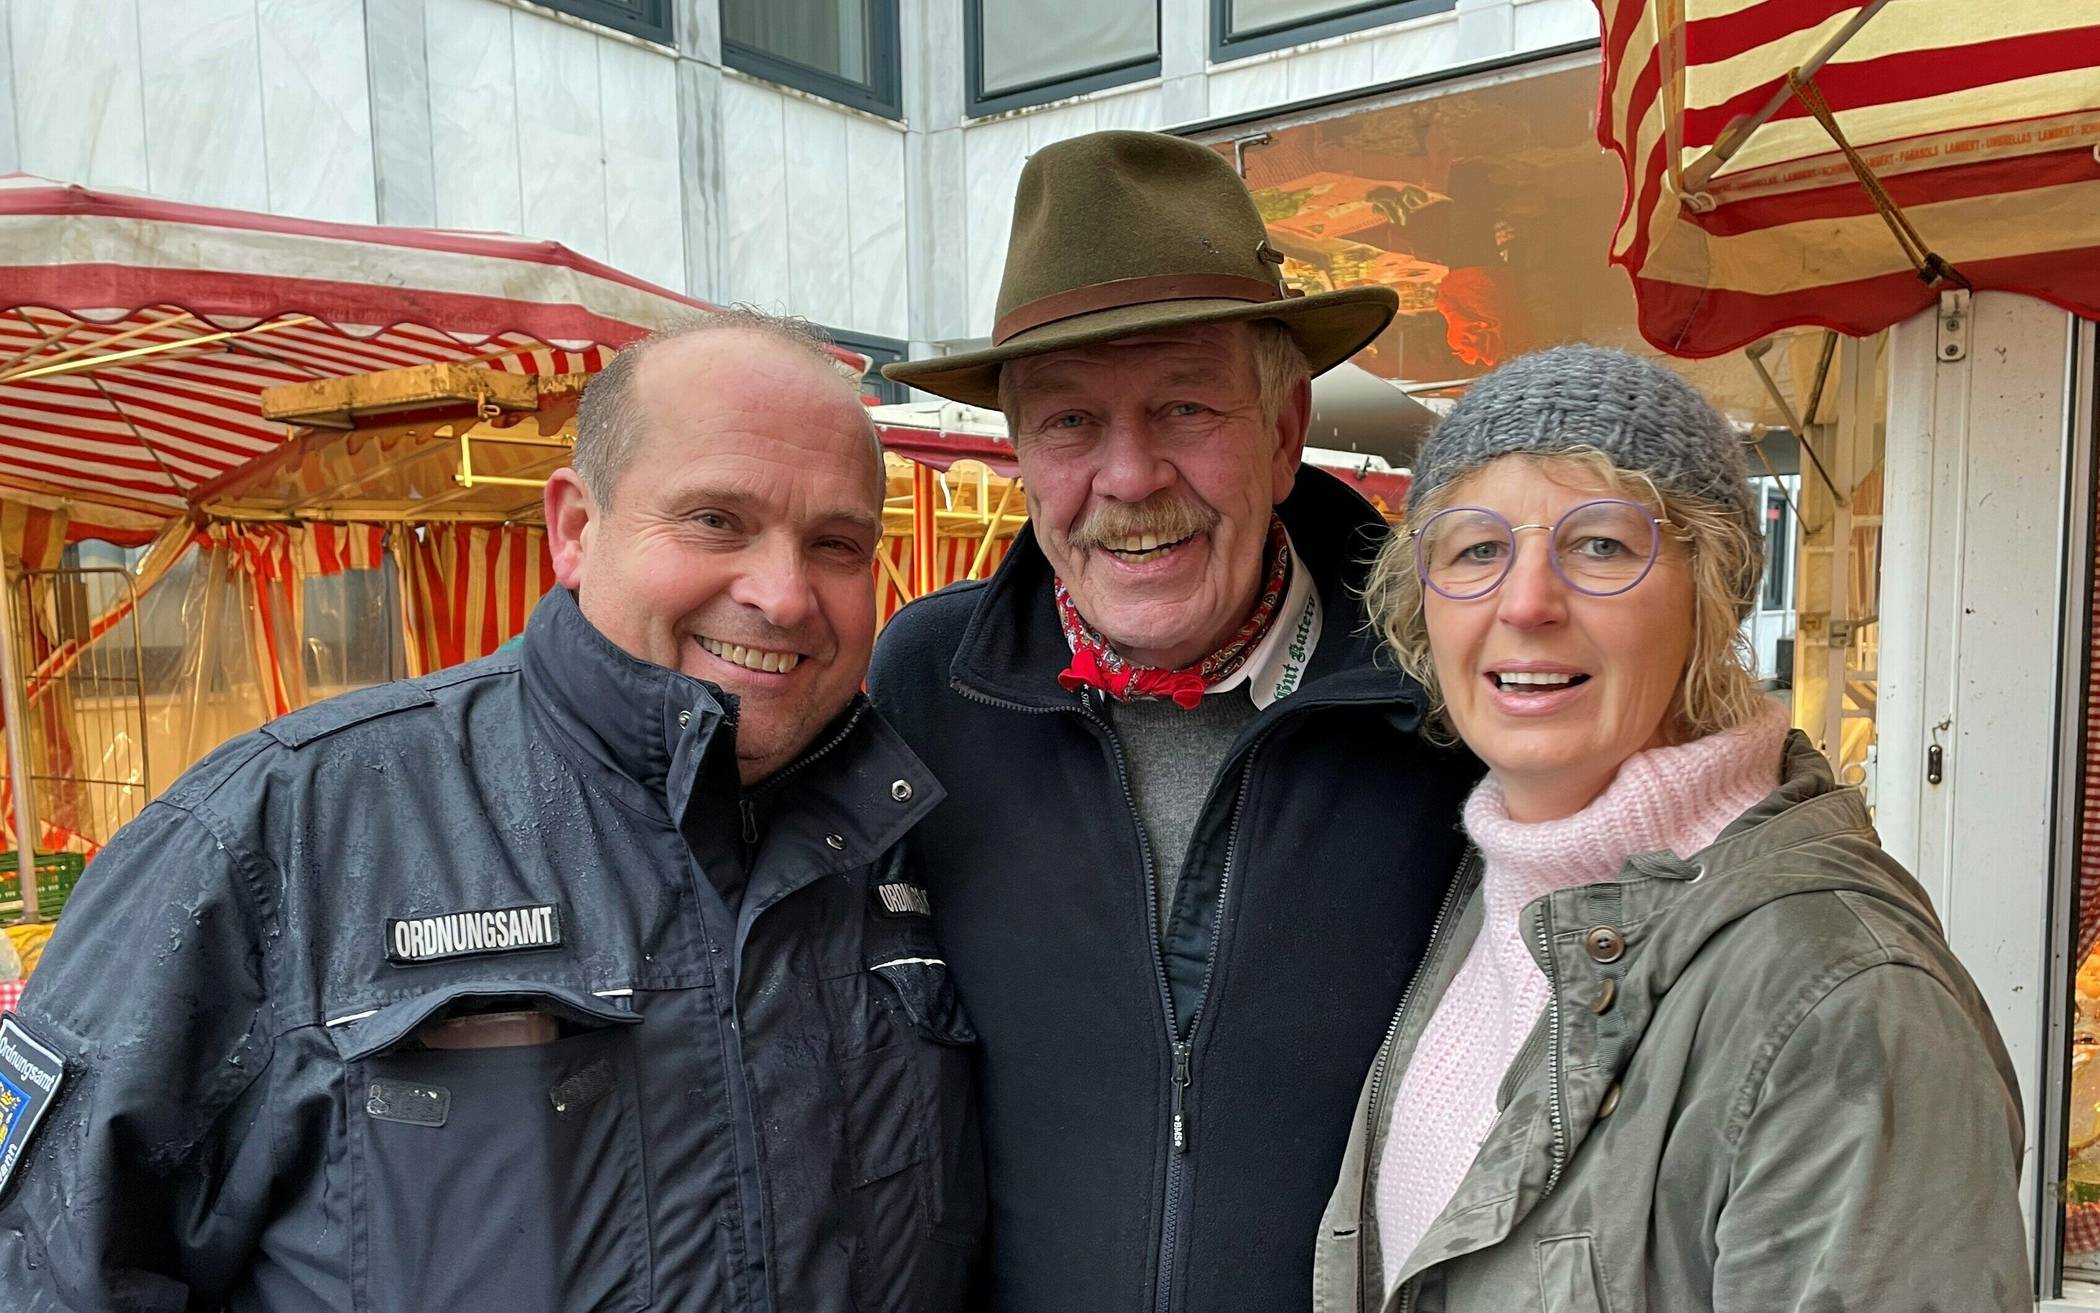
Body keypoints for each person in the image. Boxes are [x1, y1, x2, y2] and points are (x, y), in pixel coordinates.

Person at [0, 311, 981, 1313]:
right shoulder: (280, 829)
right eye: (715, 520)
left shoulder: (909, 828)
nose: (783, 594)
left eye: (836, 542)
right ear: (573, 529)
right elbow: (45, 1269)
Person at [870, 130, 1476, 1313]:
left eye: (1185, 407)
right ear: (1021, 452)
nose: (1131, 476)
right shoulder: (929, 681)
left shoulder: (1444, 688)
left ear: (1286, 425)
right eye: (1069, 423)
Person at [1314, 345, 2029, 1311]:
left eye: (1601, 544)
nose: (1525, 602)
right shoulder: (1486, 891)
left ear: (1715, 589)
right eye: (1477, 548)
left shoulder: (1845, 1003)